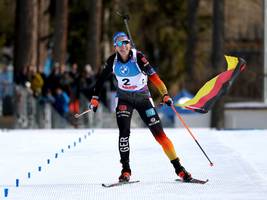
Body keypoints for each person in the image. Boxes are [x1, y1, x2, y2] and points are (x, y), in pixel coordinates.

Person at [90, 32, 192, 182]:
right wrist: (95, 98)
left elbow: (155, 78)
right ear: (115, 47)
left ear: (129, 43)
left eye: (125, 42)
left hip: (143, 98)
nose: (123, 46)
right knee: (124, 133)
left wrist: (165, 94)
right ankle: (125, 170)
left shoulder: (139, 57)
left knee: (160, 135)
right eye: (119, 44)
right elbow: (100, 80)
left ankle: (179, 169)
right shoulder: (112, 60)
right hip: (124, 99)